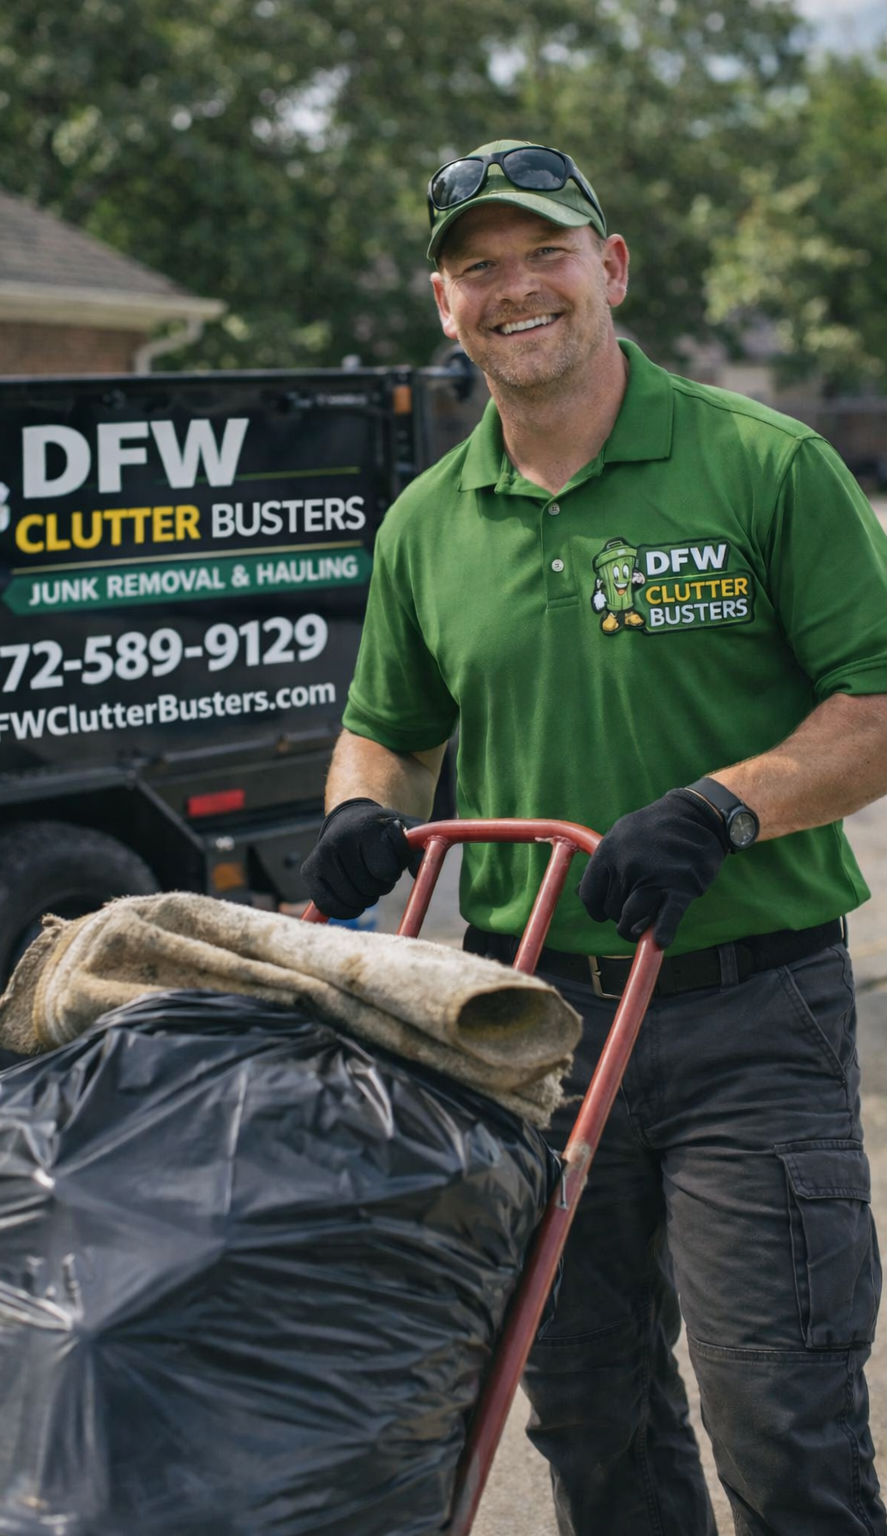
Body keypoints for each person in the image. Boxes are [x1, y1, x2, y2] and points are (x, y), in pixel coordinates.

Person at [300, 139, 887, 1534]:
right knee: (586, 1414)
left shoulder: (763, 465)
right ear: (445, 306)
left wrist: (723, 805)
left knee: (782, 1428)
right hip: (528, 1030)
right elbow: (385, 726)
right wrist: (351, 808)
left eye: (545, 252)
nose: (517, 289)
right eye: (478, 267)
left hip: (753, 1019)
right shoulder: (426, 526)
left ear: (609, 268)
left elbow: (876, 704)